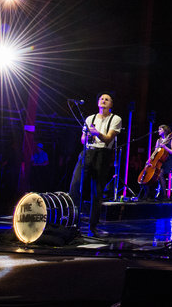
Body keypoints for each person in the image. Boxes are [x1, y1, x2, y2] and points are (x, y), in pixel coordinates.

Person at [69, 92, 122, 237]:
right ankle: (73, 221)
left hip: (102, 154)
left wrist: (97, 133)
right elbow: (82, 140)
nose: (103, 100)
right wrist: (87, 136)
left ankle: (93, 227)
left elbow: (108, 139)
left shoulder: (115, 119)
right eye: (101, 98)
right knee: (75, 185)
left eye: (107, 99)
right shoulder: (90, 118)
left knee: (96, 192)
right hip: (87, 153)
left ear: (111, 104)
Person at [143, 124, 172, 200]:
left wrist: (165, 147)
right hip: (159, 161)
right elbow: (155, 152)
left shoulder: (171, 139)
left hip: (168, 161)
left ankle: (164, 195)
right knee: (149, 172)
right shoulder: (158, 140)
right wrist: (149, 159)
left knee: (160, 173)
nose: (158, 131)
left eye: (160, 129)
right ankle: (148, 193)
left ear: (165, 130)